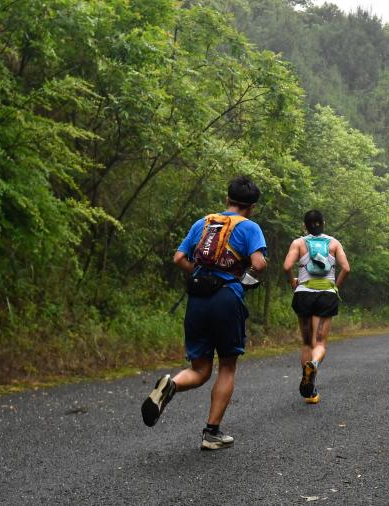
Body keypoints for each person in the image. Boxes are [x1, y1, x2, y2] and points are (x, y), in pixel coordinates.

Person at [141, 175, 267, 450]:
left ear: (227, 200)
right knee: (227, 366)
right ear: (251, 206)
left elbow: (178, 258)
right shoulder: (250, 227)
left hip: (198, 299)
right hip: (227, 297)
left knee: (199, 368)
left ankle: (170, 384)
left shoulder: (204, 222)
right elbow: (258, 262)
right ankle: (211, 434)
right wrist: (245, 273)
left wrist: (199, 274)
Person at [282, 209, 350, 404]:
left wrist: (292, 282)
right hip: (326, 295)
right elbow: (346, 268)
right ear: (324, 223)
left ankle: (310, 390)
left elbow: (287, 266)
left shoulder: (298, 243)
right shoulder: (334, 243)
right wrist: (335, 286)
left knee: (306, 343)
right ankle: (314, 364)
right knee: (319, 343)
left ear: (305, 225)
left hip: (303, 294)